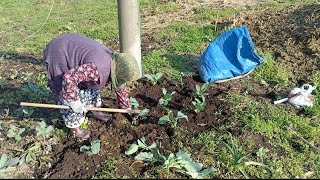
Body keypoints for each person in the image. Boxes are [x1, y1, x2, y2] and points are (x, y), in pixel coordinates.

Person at [43, 33, 140, 139]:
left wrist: (126, 107)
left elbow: (120, 86)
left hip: (73, 48)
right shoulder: (96, 69)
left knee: (91, 84)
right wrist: (73, 101)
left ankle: (94, 110)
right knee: (67, 93)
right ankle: (75, 128)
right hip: (60, 52)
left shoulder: (116, 64)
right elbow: (69, 78)